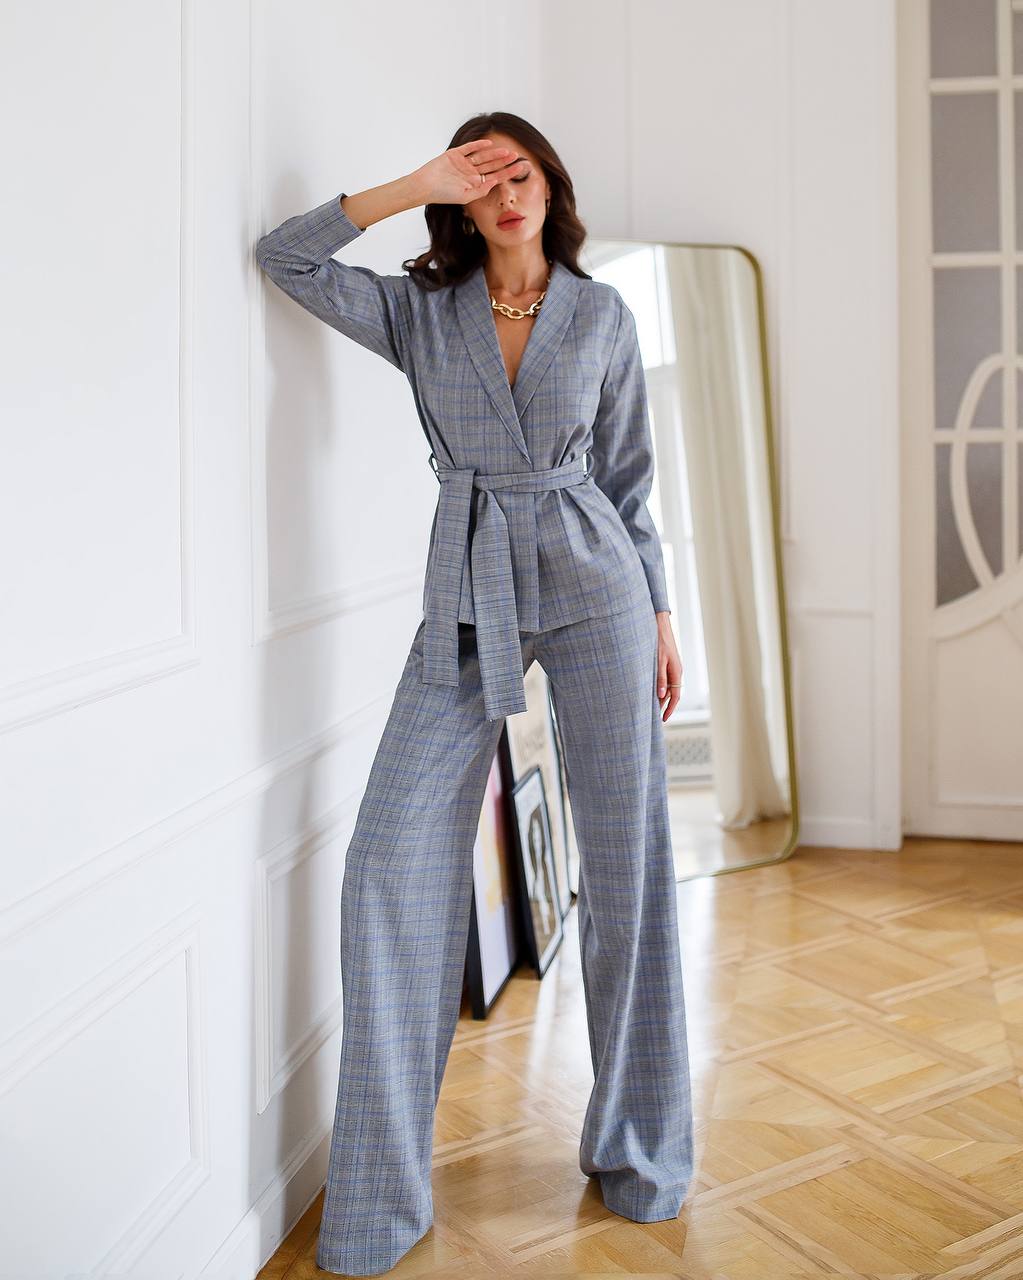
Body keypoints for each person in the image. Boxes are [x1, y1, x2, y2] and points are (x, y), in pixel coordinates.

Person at [255, 110, 694, 1278]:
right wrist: (412, 184)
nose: (506, 192)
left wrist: (659, 610)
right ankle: (380, 1196)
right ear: (461, 194)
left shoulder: (602, 316)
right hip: (464, 589)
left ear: (553, 183)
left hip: (597, 587)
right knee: (384, 861)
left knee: (629, 866)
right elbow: (287, 257)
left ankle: (642, 1148)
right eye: (481, 176)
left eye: (521, 170)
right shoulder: (423, 312)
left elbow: (630, 484)